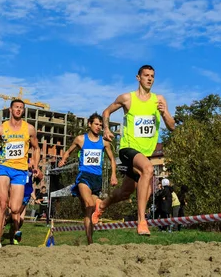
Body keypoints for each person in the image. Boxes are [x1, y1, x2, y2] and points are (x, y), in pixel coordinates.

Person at [92, 65, 175, 236]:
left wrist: (164, 112)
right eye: (146, 75)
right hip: (128, 149)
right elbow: (106, 111)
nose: (150, 79)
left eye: (152, 76)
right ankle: (142, 220)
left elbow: (172, 126)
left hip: (144, 154)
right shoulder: (127, 98)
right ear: (138, 77)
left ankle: (101, 205)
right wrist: (106, 129)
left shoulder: (159, 99)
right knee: (148, 170)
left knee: (125, 193)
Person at [0, 99, 40, 248]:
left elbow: (37, 148)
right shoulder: (1, 128)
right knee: (2, 203)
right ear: (11, 109)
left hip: (20, 170)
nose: (19, 110)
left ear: (23, 111)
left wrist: (35, 163)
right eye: (16, 107)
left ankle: (6, 223)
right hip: (4, 167)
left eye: (21, 108)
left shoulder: (29, 129)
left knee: (15, 208)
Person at [58, 112, 118, 244]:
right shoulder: (81, 139)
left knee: (89, 212)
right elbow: (68, 151)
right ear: (89, 124)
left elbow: (112, 159)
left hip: (97, 178)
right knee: (89, 204)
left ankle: (90, 241)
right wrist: (63, 159)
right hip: (84, 176)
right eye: (96, 124)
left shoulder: (104, 142)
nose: (98, 127)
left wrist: (113, 175)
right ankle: (90, 239)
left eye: (101, 125)